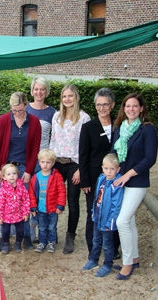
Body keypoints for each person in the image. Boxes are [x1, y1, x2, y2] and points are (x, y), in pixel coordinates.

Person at [110, 93, 158, 280]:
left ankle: (127, 263)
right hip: (120, 180)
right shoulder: (119, 129)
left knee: (122, 221)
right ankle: (134, 257)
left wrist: (128, 174)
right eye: (127, 106)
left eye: (135, 106)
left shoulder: (147, 129)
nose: (131, 109)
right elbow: (113, 154)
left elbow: (150, 158)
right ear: (123, 109)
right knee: (129, 221)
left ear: (141, 109)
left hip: (136, 182)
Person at [0, 91, 41, 251]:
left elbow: (35, 149)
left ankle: (26, 237)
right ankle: (4, 238)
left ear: (26, 105)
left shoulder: (34, 122)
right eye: (14, 110)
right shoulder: (4, 120)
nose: (17, 113)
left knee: (23, 204)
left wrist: (29, 170)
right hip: (7, 169)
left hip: (24, 169)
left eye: (20, 110)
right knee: (5, 204)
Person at [79, 87, 121, 259]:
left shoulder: (119, 126)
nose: (102, 108)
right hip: (95, 178)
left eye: (105, 104)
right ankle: (93, 249)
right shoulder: (88, 127)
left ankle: (114, 248)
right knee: (93, 214)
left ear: (112, 105)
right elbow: (83, 155)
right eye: (98, 105)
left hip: (116, 178)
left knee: (114, 213)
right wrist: (85, 181)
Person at [49, 84, 90, 254]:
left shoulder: (83, 118)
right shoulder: (56, 116)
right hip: (57, 162)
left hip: (74, 164)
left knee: (73, 201)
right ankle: (51, 234)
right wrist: (49, 161)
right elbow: (53, 140)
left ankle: (70, 236)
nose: (67, 99)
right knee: (52, 198)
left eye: (70, 96)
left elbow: (85, 145)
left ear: (76, 98)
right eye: (64, 96)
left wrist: (81, 168)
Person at [81, 153, 124, 277]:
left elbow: (116, 206)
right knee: (96, 240)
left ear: (118, 169)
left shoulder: (117, 184)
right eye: (106, 168)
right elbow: (97, 197)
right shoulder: (101, 179)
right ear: (102, 168)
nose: (109, 172)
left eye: (112, 169)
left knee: (107, 243)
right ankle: (93, 260)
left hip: (107, 220)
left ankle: (107, 265)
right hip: (98, 216)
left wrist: (111, 221)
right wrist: (94, 212)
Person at [26, 76, 56, 243]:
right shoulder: (26, 109)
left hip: (43, 161)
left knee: (41, 196)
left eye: (42, 89)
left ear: (46, 91)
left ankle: (43, 233)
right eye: (36, 89)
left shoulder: (52, 112)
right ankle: (29, 234)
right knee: (28, 196)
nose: (39, 92)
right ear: (32, 90)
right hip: (26, 159)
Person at [29, 149, 66, 253]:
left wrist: (60, 205)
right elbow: (31, 192)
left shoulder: (57, 176)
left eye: (48, 162)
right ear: (39, 162)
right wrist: (33, 206)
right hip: (40, 209)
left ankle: (51, 242)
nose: (45, 165)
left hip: (53, 208)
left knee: (51, 226)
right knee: (41, 227)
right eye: (43, 162)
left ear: (53, 163)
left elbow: (62, 191)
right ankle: (42, 242)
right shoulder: (36, 176)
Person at [0, 164, 30, 254]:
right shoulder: (3, 190)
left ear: (17, 175)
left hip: (19, 214)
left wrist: (25, 213)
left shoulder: (21, 187)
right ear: (4, 177)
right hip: (6, 215)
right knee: (5, 230)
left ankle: (18, 243)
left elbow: (26, 200)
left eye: (14, 173)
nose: (12, 176)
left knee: (20, 230)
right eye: (9, 174)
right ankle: (6, 243)